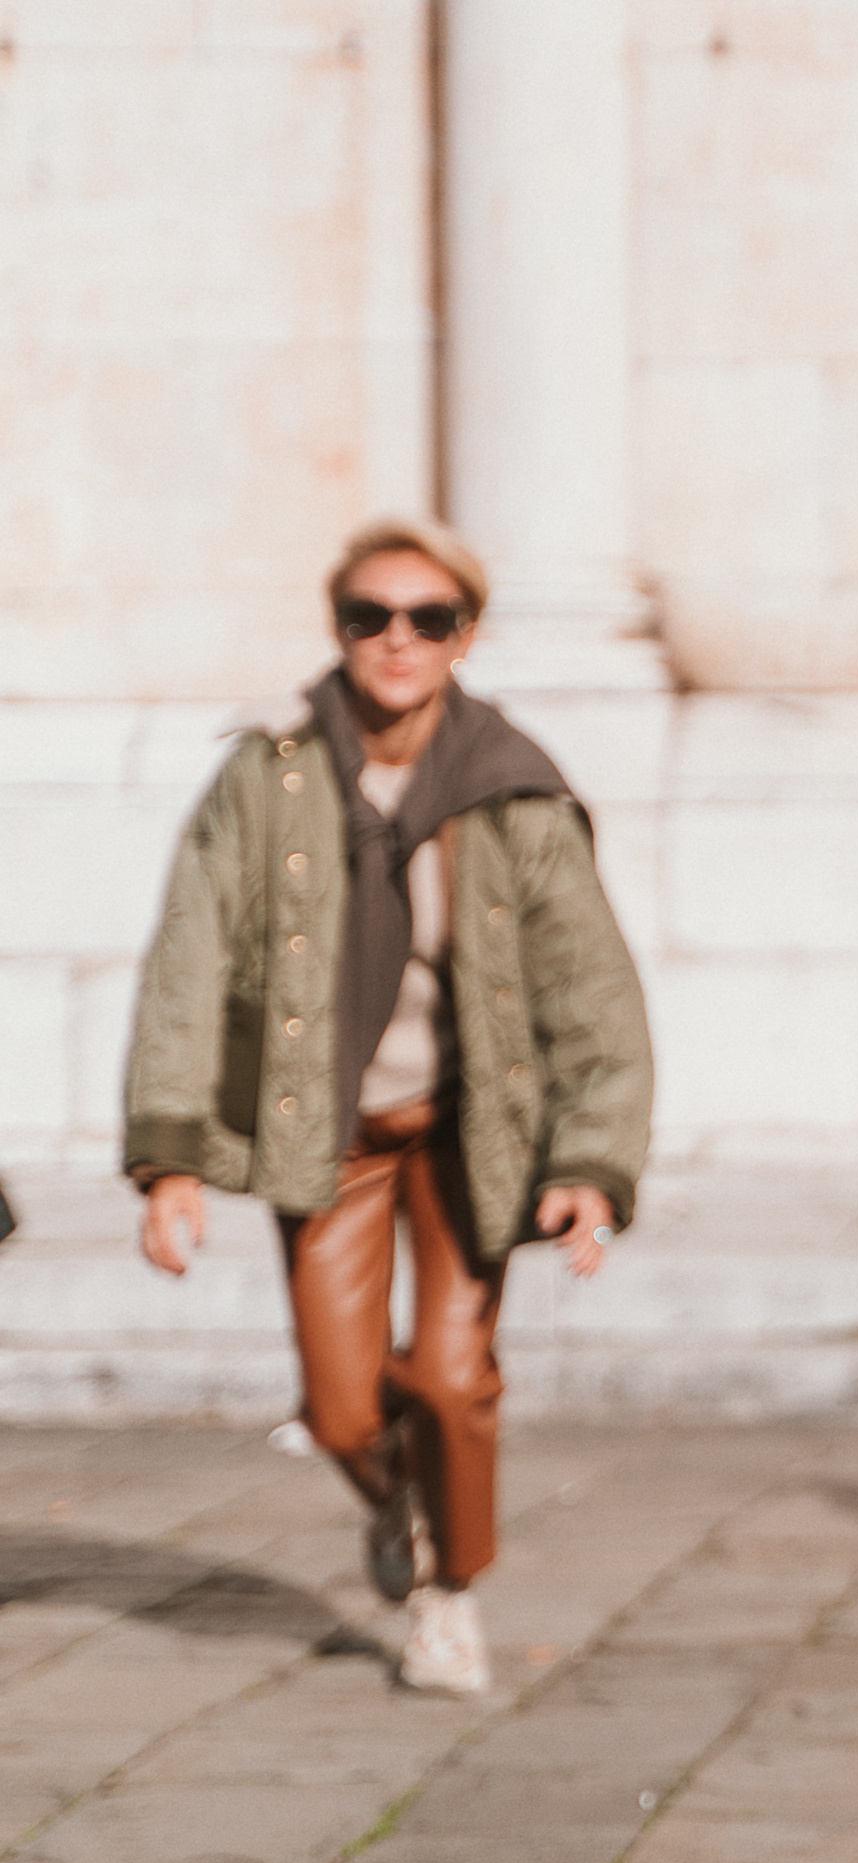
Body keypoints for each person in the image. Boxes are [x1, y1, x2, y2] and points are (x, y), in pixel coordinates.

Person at [124, 518, 652, 1696]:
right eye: (371, 615)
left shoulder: (513, 784)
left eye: (428, 617)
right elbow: (188, 959)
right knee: (343, 1405)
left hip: (476, 1129)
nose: (397, 639)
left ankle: (446, 1591)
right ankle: (402, 1501)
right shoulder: (267, 775)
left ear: (466, 633)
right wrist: (168, 1160)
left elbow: (594, 994)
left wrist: (590, 1161)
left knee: (453, 1374)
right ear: (340, 627)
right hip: (330, 1130)